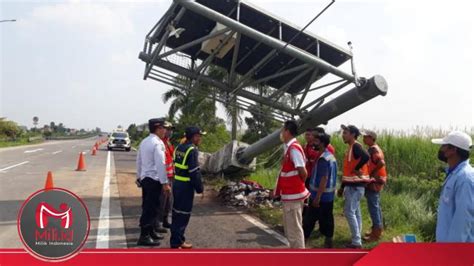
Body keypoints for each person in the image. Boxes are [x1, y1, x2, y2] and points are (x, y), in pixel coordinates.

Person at [432, 131, 474, 242]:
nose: (441, 149)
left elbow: (463, 220)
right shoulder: (454, 174)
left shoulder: (465, 178)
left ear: (453, 150)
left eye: (444, 146)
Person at [273, 120, 309, 248]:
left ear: (287, 132)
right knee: (291, 230)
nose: (281, 133)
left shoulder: (294, 149)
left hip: (293, 196)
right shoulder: (289, 148)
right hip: (290, 196)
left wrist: (297, 186)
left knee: (294, 230)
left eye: (283, 130)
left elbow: (303, 173)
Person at [136, 118, 172, 246]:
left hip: (146, 179)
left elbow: (139, 160)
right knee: (151, 209)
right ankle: (144, 236)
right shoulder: (158, 143)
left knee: (148, 206)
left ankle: (150, 232)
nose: (165, 131)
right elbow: (161, 164)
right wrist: (165, 183)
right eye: (164, 128)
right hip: (154, 180)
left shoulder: (144, 141)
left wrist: (138, 176)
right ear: (158, 129)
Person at [170, 126, 205, 249]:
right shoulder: (192, 150)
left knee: (176, 213)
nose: (200, 138)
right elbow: (194, 172)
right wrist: (200, 189)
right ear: (194, 137)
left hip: (176, 184)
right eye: (199, 136)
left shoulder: (179, 147)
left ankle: (177, 239)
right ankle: (176, 242)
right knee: (183, 214)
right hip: (185, 186)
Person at [337, 124, 370, 249]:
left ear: (352, 135)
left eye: (345, 133)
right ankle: (357, 238)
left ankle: (356, 242)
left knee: (349, 212)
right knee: (355, 212)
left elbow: (366, 156)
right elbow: (347, 171)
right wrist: (342, 187)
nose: (343, 135)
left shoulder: (355, 146)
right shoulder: (351, 148)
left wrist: (357, 169)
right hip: (353, 185)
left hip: (355, 187)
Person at [303, 132, 337, 248]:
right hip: (329, 196)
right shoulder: (330, 156)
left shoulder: (323, 159)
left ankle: (303, 242)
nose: (313, 143)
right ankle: (328, 241)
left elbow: (324, 178)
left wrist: (317, 197)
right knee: (327, 218)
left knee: (309, 220)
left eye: (316, 141)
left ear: (322, 143)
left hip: (319, 196)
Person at [361, 130, 387, 242]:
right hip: (377, 180)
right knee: (375, 206)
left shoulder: (373, 150)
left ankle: (376, 234)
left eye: (366, 137)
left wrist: (371, 173)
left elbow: (381, 162)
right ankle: (377, 229)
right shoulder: (375, 148)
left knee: (373, 207)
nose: (363, 138)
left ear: (371, 138)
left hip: (374, 181)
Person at [155, 120, 175, 232]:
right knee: (161, 201)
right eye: (168, 129)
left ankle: (165, 220)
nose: (170, 131)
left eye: (171, 129)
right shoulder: (159, 143)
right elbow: (161, 162)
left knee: (168, 201)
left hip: (170, 176)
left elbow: (171, 158)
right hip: (163, 177)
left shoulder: (168, 142)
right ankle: (157, 223)